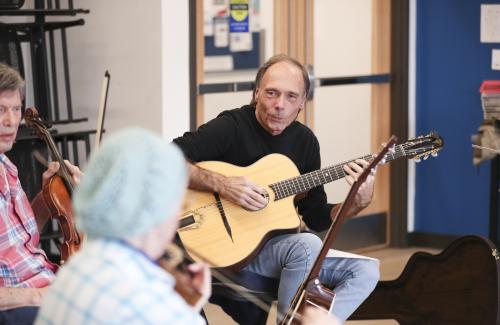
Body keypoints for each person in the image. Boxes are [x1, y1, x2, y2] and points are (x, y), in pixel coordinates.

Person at [173, 54, 380, 323]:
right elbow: (169, 159)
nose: (280, 105)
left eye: (291, 97)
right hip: (227, 251)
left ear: (303, 102)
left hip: (276, 252)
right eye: (272, 93)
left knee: (366, 272)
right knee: (306, 245)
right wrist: (223, 184)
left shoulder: (305, 142)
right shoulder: (231, 127)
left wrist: (353, 206)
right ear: (257, 92)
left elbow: (316, 216)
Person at [35, 128, 211, 324]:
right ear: (157, 209)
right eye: (178, 204)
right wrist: (189, 311)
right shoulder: (157, 306)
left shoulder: (71, 271)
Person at [0, 63, 82, 324]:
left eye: (16, 109)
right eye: (0, 109)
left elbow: (22, 239)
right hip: (22, 304)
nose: (11, 121)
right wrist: (38, 296)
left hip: (48, 281)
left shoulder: (6, 166)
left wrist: (49, 199)